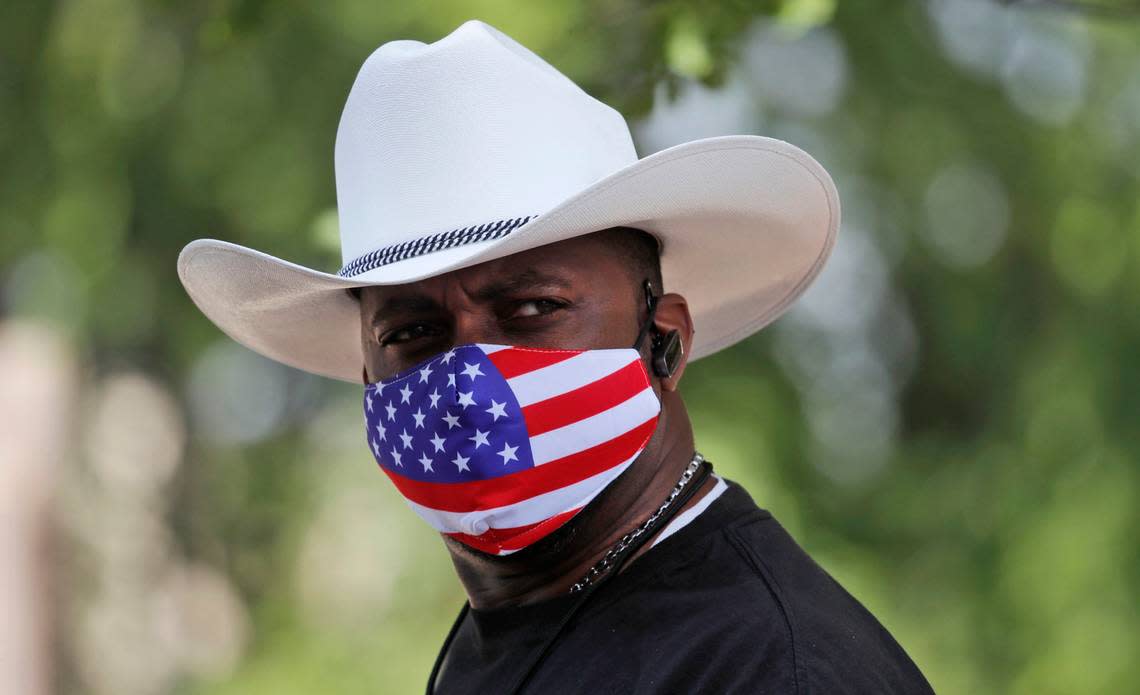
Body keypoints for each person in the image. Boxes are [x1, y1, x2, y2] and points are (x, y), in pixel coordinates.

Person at [177, 19, 934, 694]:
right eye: (412, 333)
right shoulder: (500, 636)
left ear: (664, 342)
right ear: (368, 373)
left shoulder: (773, 668)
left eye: (532, 309)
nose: (469, 378)